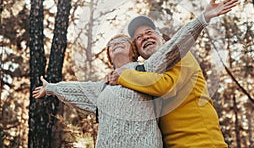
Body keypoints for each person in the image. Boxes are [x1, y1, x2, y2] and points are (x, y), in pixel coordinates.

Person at [106, 0, 238, 147]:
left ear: (161, 37)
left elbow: (166, 87)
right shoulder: (144, 76)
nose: (145, 37)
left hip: (202, 143)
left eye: (149, 32)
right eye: (138, 37)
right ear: (137, 52)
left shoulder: (180, 55)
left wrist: (123, 76)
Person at [33, 34, 163, 148]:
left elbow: (172, 50)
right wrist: (51, 88)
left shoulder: (147, 69)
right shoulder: (103, 86)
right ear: (110, 58)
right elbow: (78, 89)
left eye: (123, 40)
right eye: (111, 44)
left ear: (134, 53)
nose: (116, 43)